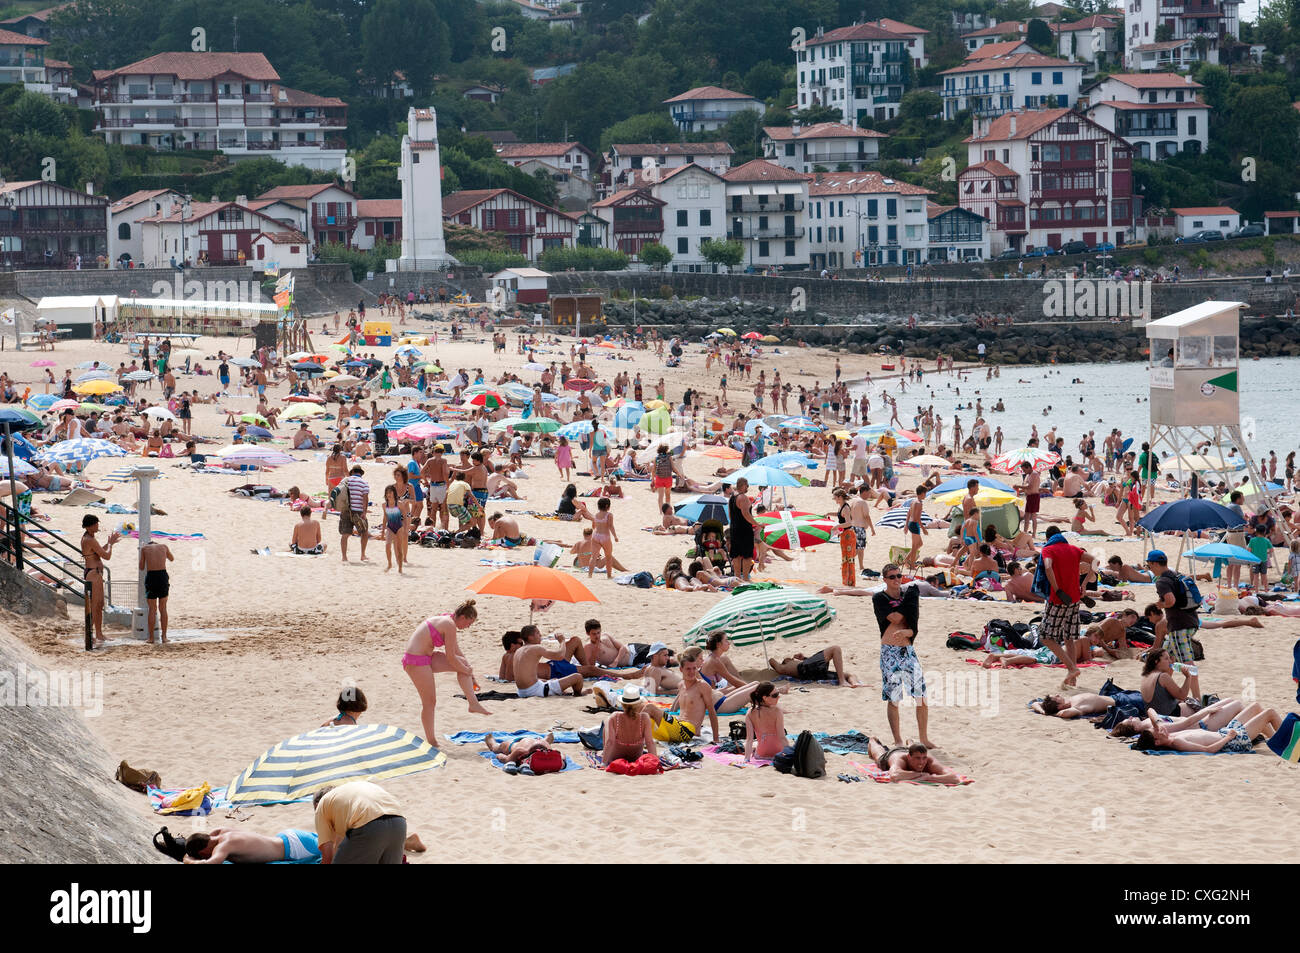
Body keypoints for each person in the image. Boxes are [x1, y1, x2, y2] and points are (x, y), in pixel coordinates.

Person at [401, 599, 490, 745]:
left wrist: (469, 673)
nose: (468, 627)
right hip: (415, 661)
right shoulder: (449, 625)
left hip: (426, 657)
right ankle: (431, 741)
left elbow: (457, 653)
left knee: (463, 663)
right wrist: (465, 670)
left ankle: (473, 703)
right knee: (430, 702)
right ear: (462, 617)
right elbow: (450, 656)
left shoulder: (448, 620)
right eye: (469, 623)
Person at [873, 563, 934, 748]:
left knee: (921, 696)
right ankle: (898, 739)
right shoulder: (879, 598)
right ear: (885, 580)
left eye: (899, 576)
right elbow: (895, 619)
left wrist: (909, 632)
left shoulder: (908, 595)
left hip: (907, 651)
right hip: (890, 651)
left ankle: (923, 738)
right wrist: (910, 599)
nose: (897, 580)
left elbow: (913, 622)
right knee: (894, 698)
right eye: (892, 577)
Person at [1039, 525, 1096, 685]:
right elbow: (1095, 561)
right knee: (1069, 637)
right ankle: (1073, 681)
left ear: (1047, 538)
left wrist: (1056, 589)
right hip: (1075, 598)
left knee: (1046, 638)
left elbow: (1048, 567)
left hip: (1059, 599)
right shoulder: (1074, 549)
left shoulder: (1048, 550)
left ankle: (1071, 668)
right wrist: (1084, 584)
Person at [1132, 698, 1284, 754]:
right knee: (1269, 713)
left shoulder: (1171, 736)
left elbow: (1151, 711)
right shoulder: (1177, 742)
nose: (1162, 729)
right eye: (1159, 732)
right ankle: (1290, 740)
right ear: (1157, 742)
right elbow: (1208, 750)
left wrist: (1158, 723)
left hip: (1225, 732)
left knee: (1255, 707)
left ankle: (1278, 740)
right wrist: (1229, 737)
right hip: (1233, 740)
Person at [313, 781, 406, 864]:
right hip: (399, 822)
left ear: (316, 805)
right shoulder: (346, 797)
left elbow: (328, 857)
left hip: (369, 826)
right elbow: (341, 845)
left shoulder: (321, 807)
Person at [1146, 549, 1199, 665]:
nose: (1149, 569)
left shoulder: (1162, 581)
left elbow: (1171, 601)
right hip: (1192, 620)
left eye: (1149, 565)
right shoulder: (1176, 574)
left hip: (1179, 625)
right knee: (1166, 659)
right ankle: (1164, 682)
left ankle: (1193, 682)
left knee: (1187, 664)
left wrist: (1161, 605)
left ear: (1154, 563)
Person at [80, 515, 120, 648]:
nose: (98, 526)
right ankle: (90, 634)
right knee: (94, 606)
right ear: (90, 525)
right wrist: (110, 544)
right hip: (93, 574)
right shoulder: (89, 539)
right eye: (96, 524)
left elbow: (99, 552)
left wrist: (110, 544)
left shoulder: (90, 538)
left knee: (99, 605)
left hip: (95, 573)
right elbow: (107, 555)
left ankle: (99, 633)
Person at [504, 631, 585, 697]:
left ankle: (569, 693)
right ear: (530, 637)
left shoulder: (518, 652)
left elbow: (511, 677)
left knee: (552, 680)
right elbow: (560, 656)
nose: (540, 635)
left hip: (522, 691)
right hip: (538, 690)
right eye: (537, 633)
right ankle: (577, 695)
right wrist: (562, 641)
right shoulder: (535, 648)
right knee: (578, 677)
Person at [183, 828, 321, 864]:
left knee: (336, 846)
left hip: (296, 848)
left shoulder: (223, 846)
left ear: (203, 852)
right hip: (288, 837)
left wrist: (188, 860)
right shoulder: (220, 832)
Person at [601, 685, 657, 766]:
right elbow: (650, 743)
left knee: (607, 721)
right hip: (635, 757)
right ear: (638, 704)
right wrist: (655, 762)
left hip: (615, 757)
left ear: (623, 704)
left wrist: (604, 763)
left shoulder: (615, 717)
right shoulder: (644, 718)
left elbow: (610, 741)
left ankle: (604, 752)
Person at [865, 738, 962, 784]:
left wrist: (929, 777)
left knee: (917, 750)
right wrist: (920, 775)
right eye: (918, 759)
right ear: (909, 757)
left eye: (924, 758)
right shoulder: (899, 760)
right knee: (878, 755)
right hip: (892, 755)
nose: (921, 762)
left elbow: (954, 778)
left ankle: (910, 742)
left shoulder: (929, 761)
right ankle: (872, 741)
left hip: (911, 751)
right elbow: (894, 775)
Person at [1140, 648, 1201, 717]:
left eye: (1169, 658)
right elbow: (1182, 696)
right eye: (1166, 659)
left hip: (1153, 716)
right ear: (1156, 661)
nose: (1170, 661)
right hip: (1168, 716)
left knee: (1182, 701)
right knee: (1195, 706)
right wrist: (1188, 677)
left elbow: (1163, 694)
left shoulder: (1146, 676)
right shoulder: (1163, 676)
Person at [767, 645, 862, 687]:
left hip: (815, 674)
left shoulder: (791, 667)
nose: (792, 659)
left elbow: (812, 665)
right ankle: (842, 681)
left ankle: (855, 683)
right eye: (790, 659)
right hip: (806, 669)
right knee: (835, 649)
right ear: (786, 662)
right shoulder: (784, 668)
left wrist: (804, 658)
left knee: (849, 675)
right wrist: (785, 659)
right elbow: (771, 661)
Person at [138, 538, 174, 644]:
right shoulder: (163, 546)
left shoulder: (145, 548)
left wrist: (142, 551)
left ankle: (151, 638)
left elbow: (141, 567)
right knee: (163, 608)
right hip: (162, 576)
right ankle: (164, 637)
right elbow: (172, 558)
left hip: (152, 576)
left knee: (152, 609)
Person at [743, 682, 787, 762]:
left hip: (760, 755)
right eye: (775, 695)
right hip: (778, 754)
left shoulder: (750, 713)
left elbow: (749, 739)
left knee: (753, 744)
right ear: (765, 698)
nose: (778, 697)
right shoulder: (777, 711)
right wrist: (790, 755)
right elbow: (782, 737)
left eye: (778, 693)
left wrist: (746, 759)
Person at [577, 496, 617, 579]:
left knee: (593, 556)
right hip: (605, 536)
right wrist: (615, 536)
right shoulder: (609, 515)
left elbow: (593, 525)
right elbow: (610, 526)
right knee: (608, 556)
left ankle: (590, 575)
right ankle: (609, 575)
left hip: (595, 536)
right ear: (607, 506)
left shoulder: (597, 514)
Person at [337, 466, 370, 562]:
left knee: (345, 534)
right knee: (364, 532)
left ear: (352, 472)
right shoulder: (364, 483)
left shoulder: (346, 481)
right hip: (358, 511)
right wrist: (364, 512)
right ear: (361, 473)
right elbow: (365, 498)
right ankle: (363, 555)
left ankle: (344, 557)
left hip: (346, 509)